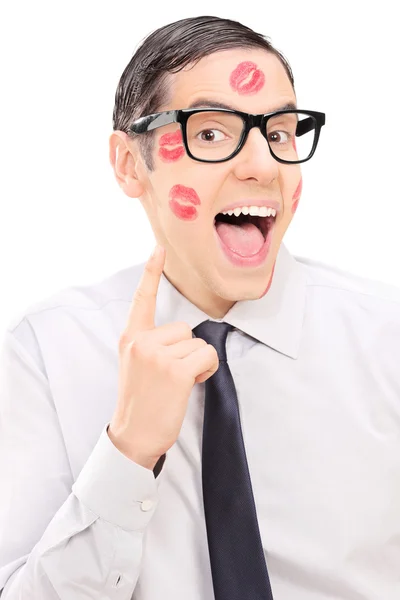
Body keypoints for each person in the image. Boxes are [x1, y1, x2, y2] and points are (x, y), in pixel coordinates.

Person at [0, 14, 399, 600]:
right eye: (211, 133)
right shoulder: (46, 352)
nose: (263, 166)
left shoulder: (386, 339)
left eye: (281, 133)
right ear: (130, 163)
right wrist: (129, 451)